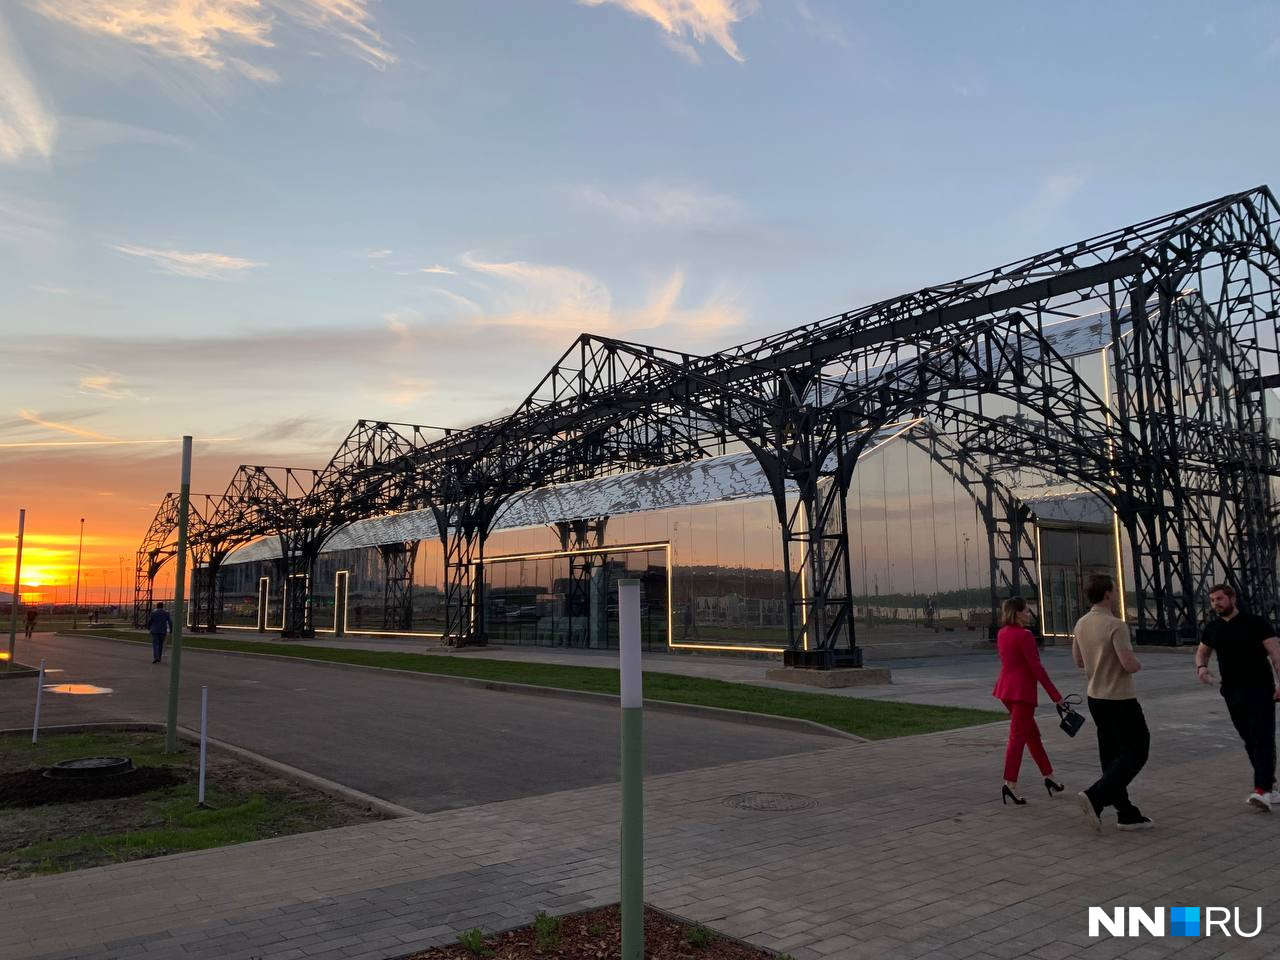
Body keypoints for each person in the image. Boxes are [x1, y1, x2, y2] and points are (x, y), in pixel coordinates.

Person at [1072, 573, 1152, 831]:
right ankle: (1096, 796)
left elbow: (1079, 662)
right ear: (1107, 594)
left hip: (1096, 697)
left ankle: (1126, 813)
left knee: (1111, 755)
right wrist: (1137, 664)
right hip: (1120, 697)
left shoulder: (1081, 624)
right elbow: (1128, 663)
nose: (1116, 594)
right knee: (1138, 750)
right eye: (1115, 591)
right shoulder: (1116, 625)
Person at [1195, 583, 1280, 812]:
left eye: (1220, 599)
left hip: (1261, 689)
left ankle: (1261, 790)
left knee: (1263, 737)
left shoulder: (1257, 623)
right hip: (1232, 692)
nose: (1216, 604)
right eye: (1212, 600)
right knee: (1250, 738)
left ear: (1232, 598)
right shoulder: (1213, 627)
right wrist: (1202, 667)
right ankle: (1269, 786)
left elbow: (1275, 653)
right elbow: (1203, 650)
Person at [992, 597, 1065, 804]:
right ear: (1017, 613)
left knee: (1032, 735)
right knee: (1018, 737)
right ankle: (1010, 783)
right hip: (1022, 693)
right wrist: (1056, 697)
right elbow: (1036, 668)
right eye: (1025, 611)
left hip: (1006, 690)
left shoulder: (1002, 633)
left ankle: (1049, 777)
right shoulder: (1025, 636)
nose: (1028, 613)